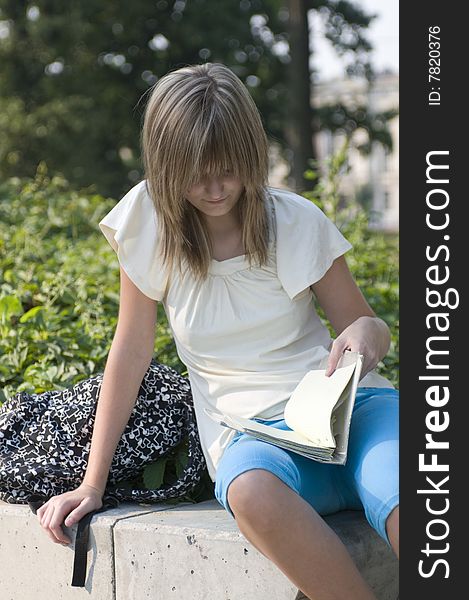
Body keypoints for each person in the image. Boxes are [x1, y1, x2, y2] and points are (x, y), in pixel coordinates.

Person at [36, 62, 399, 600]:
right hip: (254, 438)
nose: (213, 187)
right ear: (165, 166)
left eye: (228, 169)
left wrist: (368, 336)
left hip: (354, 417)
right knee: (250, 492)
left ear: (252, 156)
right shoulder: (150, 225)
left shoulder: (295, 222)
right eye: (193, 172)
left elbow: (366, 324)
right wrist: (93, 482)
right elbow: (131, 350)